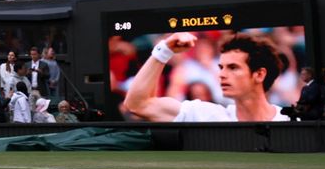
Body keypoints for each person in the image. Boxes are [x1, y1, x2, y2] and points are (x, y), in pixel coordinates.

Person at [124, 32, 290, 122]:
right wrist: (164, 50)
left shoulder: (291, 120)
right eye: (221, 67)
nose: (222, 74)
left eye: (233, 67)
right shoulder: (205, 115)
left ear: (259, 74)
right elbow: (138, 105)